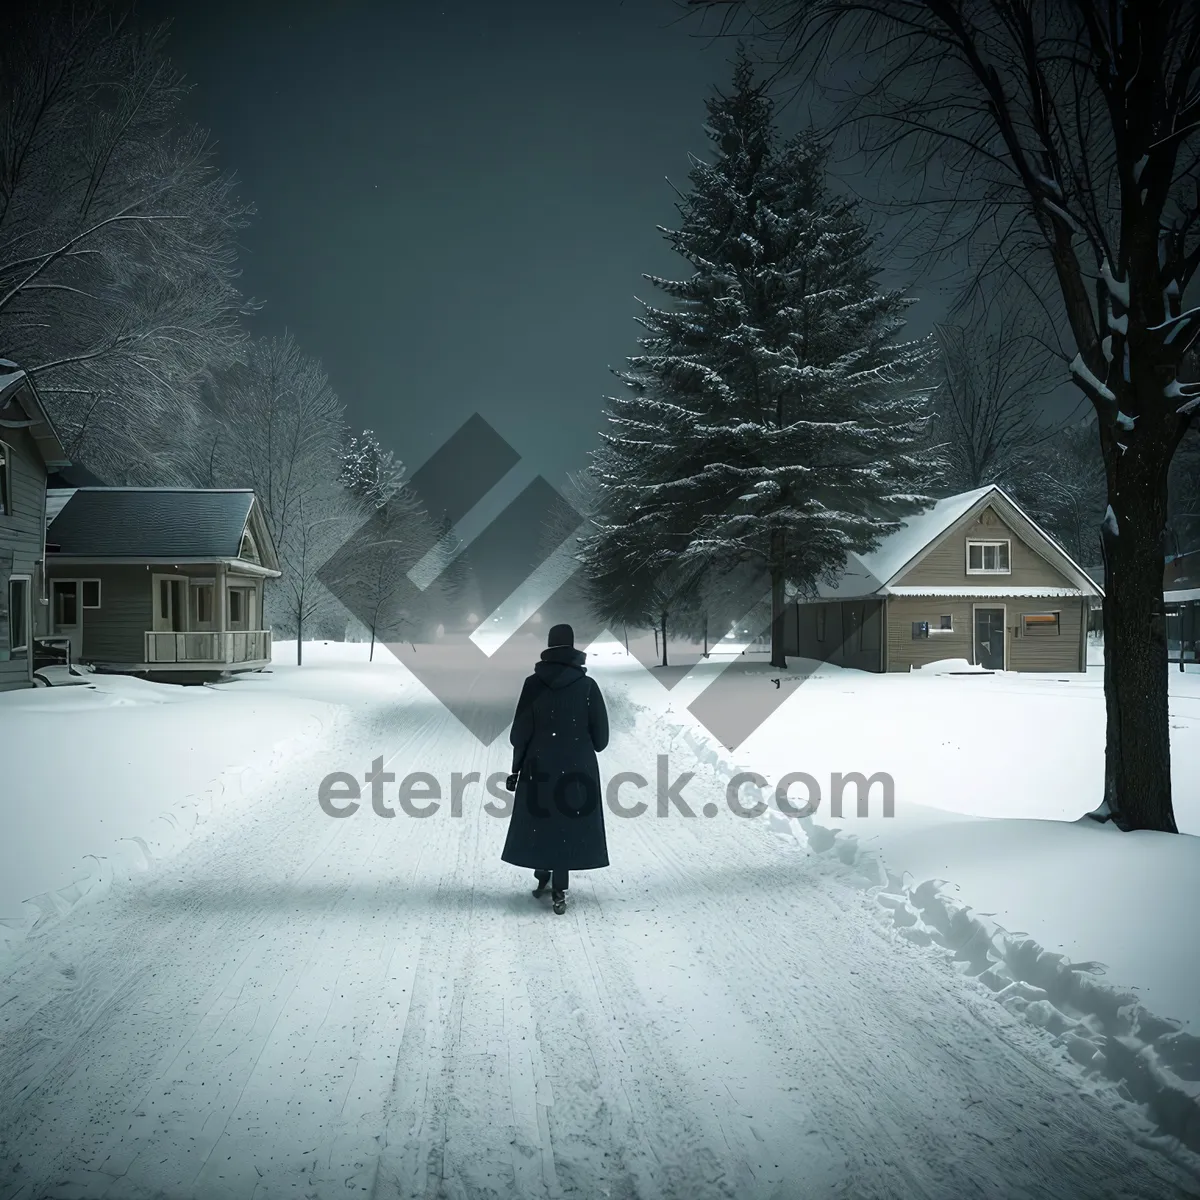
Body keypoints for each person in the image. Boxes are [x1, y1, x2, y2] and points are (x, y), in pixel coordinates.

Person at [501, 623, 609, 914]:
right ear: (574, 649)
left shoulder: (533, 685)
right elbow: (601, 741)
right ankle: (561, 884)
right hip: (578, 767)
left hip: (539, 764)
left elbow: (519, 734)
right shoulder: (587, 687)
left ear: (548, 647)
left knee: (542, 818)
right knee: (568, 822)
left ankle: (542, 873)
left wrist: (516, 768)